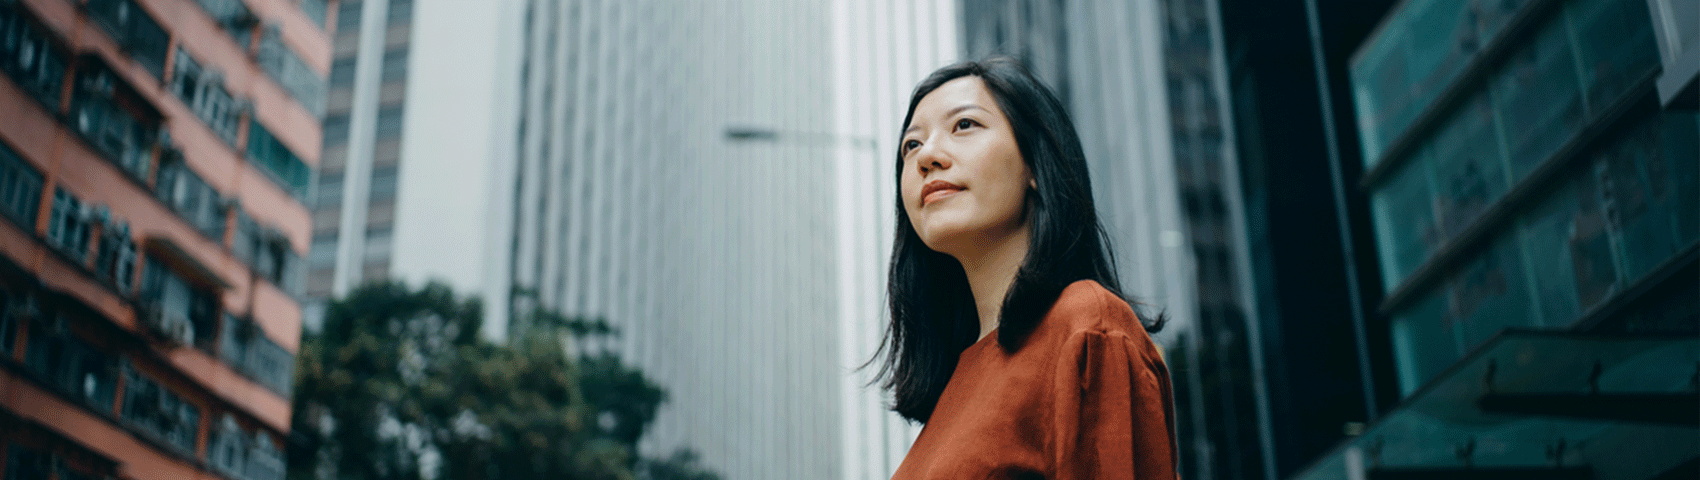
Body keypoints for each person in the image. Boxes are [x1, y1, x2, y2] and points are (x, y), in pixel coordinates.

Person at [874, 57, 1179, 480]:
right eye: (912, 145)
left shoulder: (1087, 324)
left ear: (1035, 165)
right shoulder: (954, 386)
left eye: (964, 125)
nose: (927, 156)